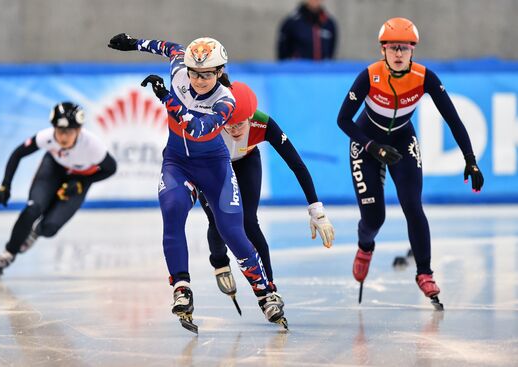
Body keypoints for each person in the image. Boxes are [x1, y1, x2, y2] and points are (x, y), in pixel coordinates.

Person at [108, 33, 287, 331]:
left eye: (207, 74)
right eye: (195, 73)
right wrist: (134, 42)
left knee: (231, 230)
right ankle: (181, 287)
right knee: (173, 208)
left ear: (219, 73)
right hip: (177, 163)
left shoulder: (226, 100)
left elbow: (200, 129)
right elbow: (169, 48)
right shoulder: (180, 70)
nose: (200, 80)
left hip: (214, 167)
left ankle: (264, 292)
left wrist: (167, 99)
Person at [336, 17, 484, 307]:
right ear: (383, 50)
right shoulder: (369, 76)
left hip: (402, 141)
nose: (399, 54)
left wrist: (471, 159)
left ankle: (425, 273)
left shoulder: (425, 77)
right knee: (374, 218)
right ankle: (365, 247)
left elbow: (452, 119)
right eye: (393, 49)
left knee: (413, 206)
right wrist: (372, 147)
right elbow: (343, 120)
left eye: (404, 48)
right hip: (367, 143)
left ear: (413, 50)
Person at [198, 81, 335, 304]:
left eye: (240, 124)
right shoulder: (209, 123)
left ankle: (269, 289)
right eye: (228, 125)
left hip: (246, 160)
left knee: (250, 222)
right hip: (213, 165)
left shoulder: (263, 123)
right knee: (217, 219)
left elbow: (296, 164)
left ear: (250, 117)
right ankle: (220, 261)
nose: (234, 130)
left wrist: (316, 209)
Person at [0, 102, 117, 279]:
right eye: (59, 130)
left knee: (49, 228)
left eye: (69, 132)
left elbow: (111, 169)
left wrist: (81, 182)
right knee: (33, 208)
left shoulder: (92, 146)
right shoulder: (47, 137)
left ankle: (36, 232)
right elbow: (18, 154)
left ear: (79, 131)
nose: (63, 137)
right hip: (53, 169)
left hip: (79, 178)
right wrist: (5, 185)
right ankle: (8, 253)